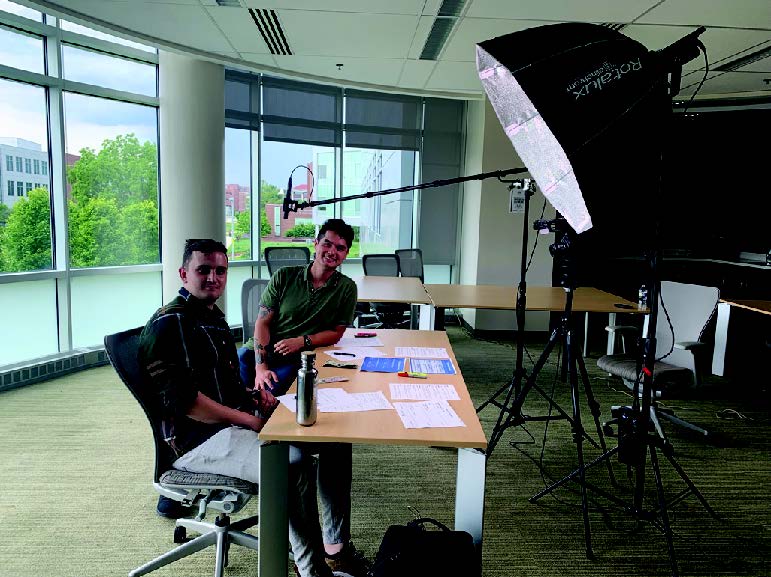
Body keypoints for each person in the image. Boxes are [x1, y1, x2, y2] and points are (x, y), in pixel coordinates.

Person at [139, 238, 360, 577]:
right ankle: (313, 570)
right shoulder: (173, 323)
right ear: (184, 274)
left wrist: (250, 396)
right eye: (203, 270)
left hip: (224, 426)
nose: (213, 278)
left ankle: (329, 546)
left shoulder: (210, 317)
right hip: (195, 440)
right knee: (291, 465)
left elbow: (214, 386)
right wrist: (250, 420)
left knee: (329, 440)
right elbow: (190, 404)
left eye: (220, 270)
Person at [238, 219, 367, 576]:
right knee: (248, 371)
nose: (332, 252)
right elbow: (262, 324)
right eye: (328, 244)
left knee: (318, 421)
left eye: (341, 248)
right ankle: (263, 432)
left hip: (299, 359)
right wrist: (262, 365)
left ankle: (330, 545)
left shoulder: (345, 288)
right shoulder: (285, 278)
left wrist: (302, 341)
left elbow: (337, 332)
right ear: (316, 242)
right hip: (264, 356)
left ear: (345, 253)